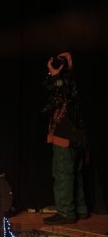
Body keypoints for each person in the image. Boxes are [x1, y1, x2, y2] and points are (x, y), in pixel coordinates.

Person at [42, 51, 88, 224]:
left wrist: (56, 74)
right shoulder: (73, 80)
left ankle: (66, 212)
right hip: (77, 135)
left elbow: (65, 92)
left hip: (66, 135)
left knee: (63, 173)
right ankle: (80, 209)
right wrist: (55, 73)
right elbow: (48, 87)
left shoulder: (68, 84)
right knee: (76, 173)